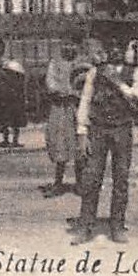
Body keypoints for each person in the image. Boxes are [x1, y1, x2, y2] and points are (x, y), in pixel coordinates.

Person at [69, 34, 138, 245]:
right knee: (91, 177)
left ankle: (117, 226)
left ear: (125, 50)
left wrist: (120, 84)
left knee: (121, 179)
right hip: (98, 129)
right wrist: (81, 133)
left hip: (122, 129)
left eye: (119, 47)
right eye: (111, 47)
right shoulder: (95, 73)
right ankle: (85, 226)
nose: (114, 51)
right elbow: (85, 101)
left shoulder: (135, 73)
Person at [40, 41, 83, 196]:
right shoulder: (55, 63)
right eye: (67, 44)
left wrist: (76, 94)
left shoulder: (81, 64)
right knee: (59, 142)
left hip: (77, 108)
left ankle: (81, 183)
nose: (69, 48)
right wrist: (63, 91)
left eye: (73, 44)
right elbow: (50, 83)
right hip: (60, 108)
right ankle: (58, 182)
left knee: (80, 143)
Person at [0, 60, 27, 148]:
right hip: (12, 102)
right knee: (12, 123)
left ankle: (9, 140)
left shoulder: (9, 82)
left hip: (11, 103)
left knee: (10, 122)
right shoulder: (16, 81)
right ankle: (12, 140)